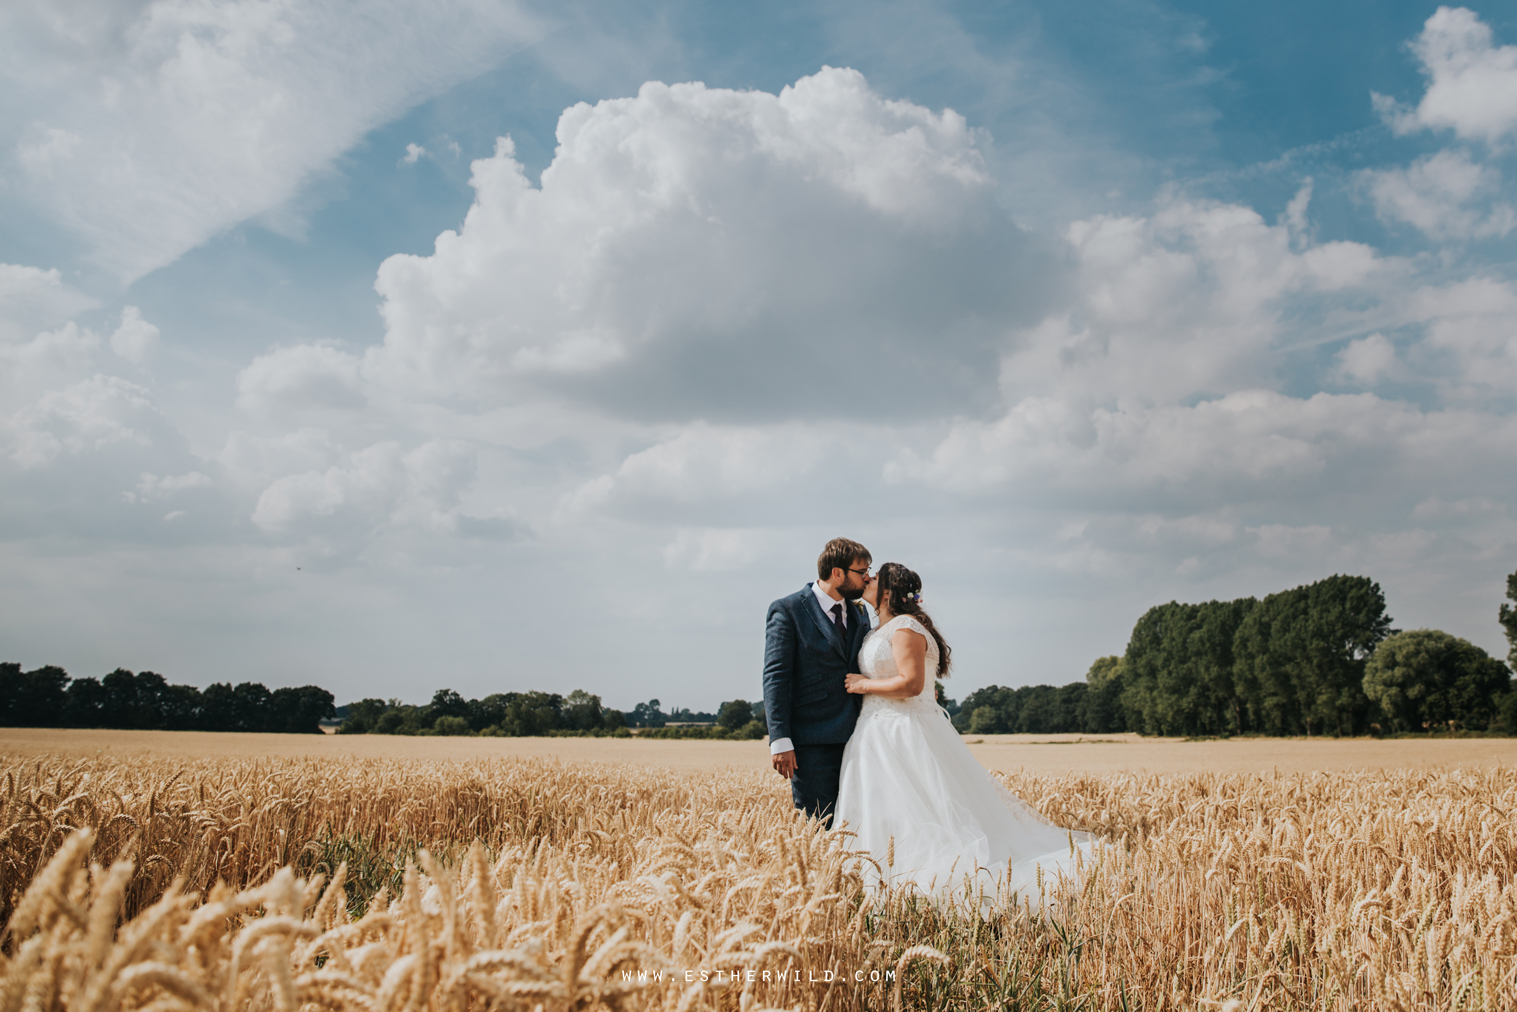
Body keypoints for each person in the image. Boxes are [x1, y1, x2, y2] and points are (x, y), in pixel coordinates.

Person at [834, 562, 1097, 908]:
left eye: (874, 577)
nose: (865, 580)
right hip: (875, 734)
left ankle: (923, 888)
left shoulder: (904, 627)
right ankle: (881, 889)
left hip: (902, 732)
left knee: (922, 811)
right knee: (885, 811)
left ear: (888, 591)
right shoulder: (875, 629)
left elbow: (912, 684)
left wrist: (863, 683)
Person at [762, 537, 874, 825]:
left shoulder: (860, 613)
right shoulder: (787, 610)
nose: (868, 578)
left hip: (862, 737)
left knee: (859, 825)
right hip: (811, 740)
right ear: (837, 573)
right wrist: (780, 739)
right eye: (862, 572)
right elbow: (776, 676)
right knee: (818, 825)